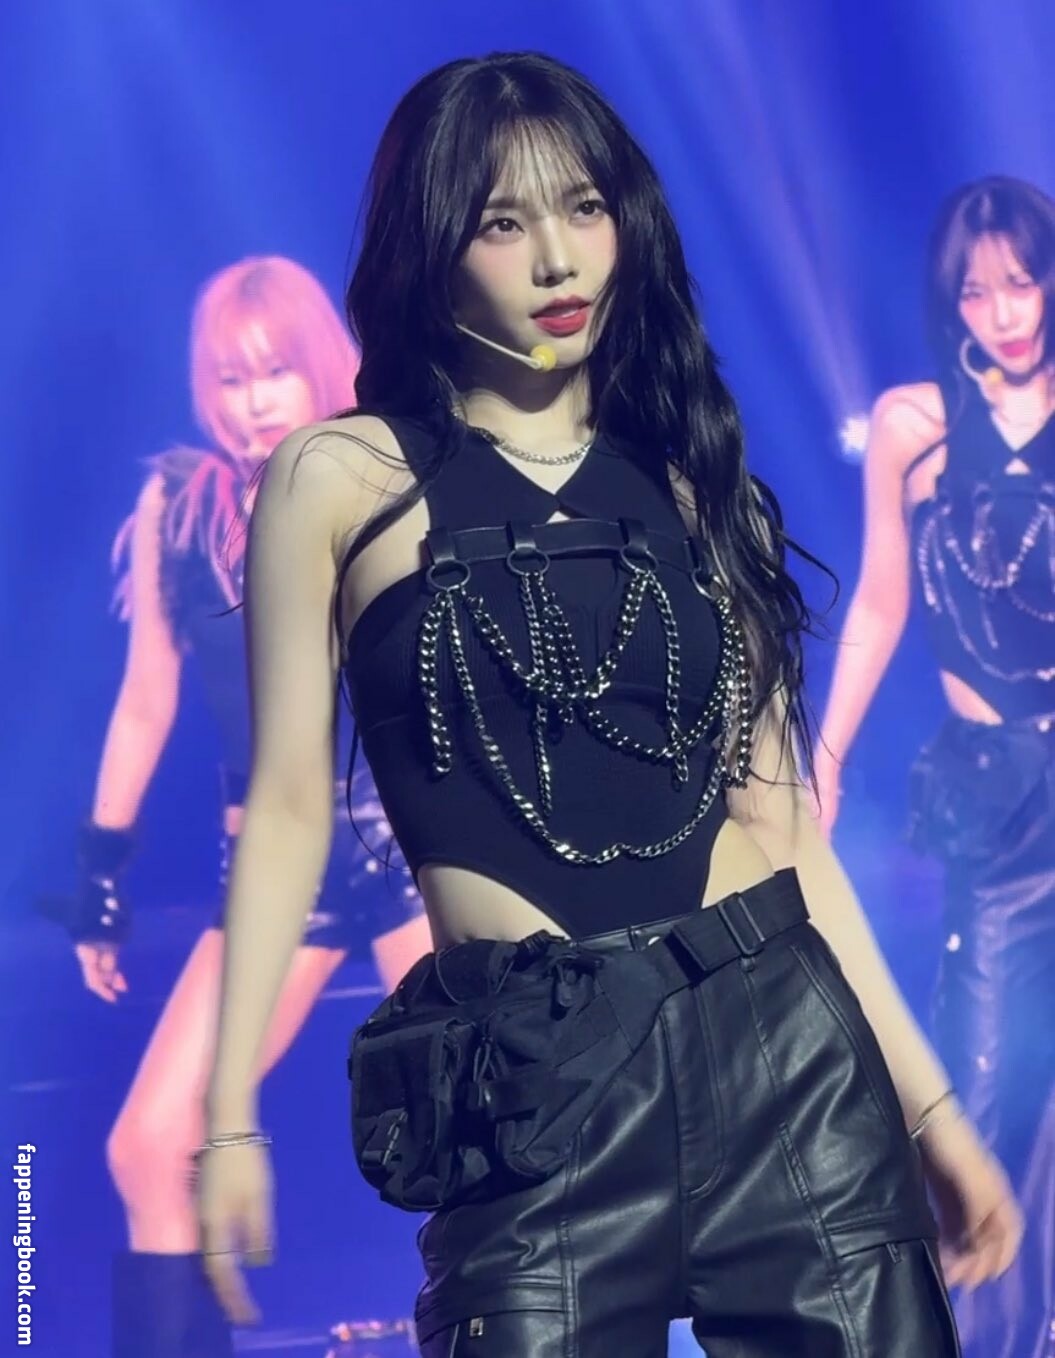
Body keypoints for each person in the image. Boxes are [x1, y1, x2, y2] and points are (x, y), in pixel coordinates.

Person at [197, 56, 1023, 1356]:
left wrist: (931, 1115)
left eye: (582, 207)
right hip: (536, 1098)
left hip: (783, 1062)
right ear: (432, 246)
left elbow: (784, 830)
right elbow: (292, 803)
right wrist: (226, 1115)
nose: (555, 258)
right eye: (500, 220)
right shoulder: (338, 477)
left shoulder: (693, 487)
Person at [41, 256, 426, 1357]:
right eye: (230, 376)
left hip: (413, 844)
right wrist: (100, 876)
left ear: (318, 367)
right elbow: (143, 704)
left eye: (273, 372)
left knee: (496, 1138)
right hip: (273, 869)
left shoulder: (383, 473)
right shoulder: (180, 506)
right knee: (150, 1146)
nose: (254, 400)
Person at [815, 176, 1055, 1358]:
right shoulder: (914, 424)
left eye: (1021, 282)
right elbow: (877, 600)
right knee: (984, 1080)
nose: (1002, 312)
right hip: (994, 800)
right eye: (975, 291)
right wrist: (823, 752)